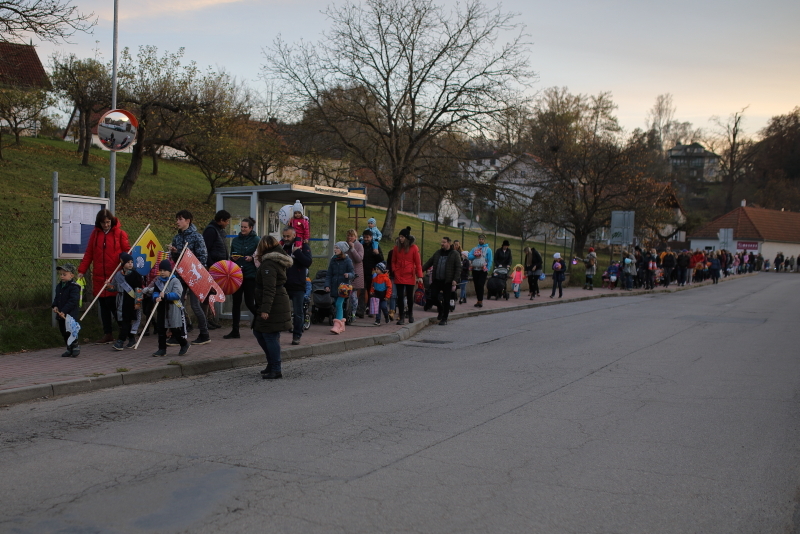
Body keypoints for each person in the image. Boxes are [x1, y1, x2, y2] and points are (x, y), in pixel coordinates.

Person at [77, 209, 131, 344]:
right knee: (103, 305)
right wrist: (82, 270)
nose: (106, 225)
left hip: (115, 275)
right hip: (99, 275)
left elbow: (127, 252)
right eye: (103, 223)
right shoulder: (95, 235)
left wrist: (125, 267)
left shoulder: (120, 234)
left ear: (111, 221)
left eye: (108, 222)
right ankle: (108, 333)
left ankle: (123, 331)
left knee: (114, 304)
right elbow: (89, 253)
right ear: (99, 223)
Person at [253, 236, 293, 379]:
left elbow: (269, 289)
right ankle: (272, 364)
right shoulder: (273, 261)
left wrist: (265, 310)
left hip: (274, 303)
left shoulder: (269, 264)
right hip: (276, 302)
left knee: (270, 336)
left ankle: (276, 368)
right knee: (260, 332)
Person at [169, 210, 210, 345]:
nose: (177, 222)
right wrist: (174, 253)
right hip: (180, 275)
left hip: (193, 276)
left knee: (195, 305)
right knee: (178, 304)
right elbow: (176, 259)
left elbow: (202, 258)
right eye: (177, 219)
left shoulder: (197, 237)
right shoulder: (177, 237)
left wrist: (197, 274)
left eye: (180, 219)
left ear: (188, 220)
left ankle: (204, 333)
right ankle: (179, 333)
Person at [143, 259, 189, 358]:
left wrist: (166, 295)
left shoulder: (175, 280)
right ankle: (162, 349)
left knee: (174, 329)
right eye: (161, 270)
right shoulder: (158, 281)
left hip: (172, 307)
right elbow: (155, 292)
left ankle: (184, 344)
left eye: (164, 270)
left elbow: (177, 294)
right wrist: (155, 298)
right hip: (162, 308)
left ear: (170, 271)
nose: (162, 272)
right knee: (161, 329)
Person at [225, 217, 259, 339]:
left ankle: (263, 322)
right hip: (237, 275)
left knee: (250, 302)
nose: (243, 229)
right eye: (242, 227)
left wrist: (252, 258)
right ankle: (235, 330)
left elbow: (260, 255)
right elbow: (231, 254)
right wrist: (233, 258)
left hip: (250, 275)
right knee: (236, 303)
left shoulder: (256, 240)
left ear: (251, 228)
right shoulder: (236, 240)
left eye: (245, 227)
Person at [281, 227, 313, 345]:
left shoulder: (303, 247)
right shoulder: (282, 247)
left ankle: (297, 335)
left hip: (298, 285)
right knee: (281, 310)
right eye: (284, 236)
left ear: (294, 235)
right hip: (283, 284)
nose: (286, 239)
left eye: (288, 236)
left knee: (298, 312)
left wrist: (297, 252)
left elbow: (308, 262)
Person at [422, 237, 461, 326]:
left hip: (448, 280)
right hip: (437, 279)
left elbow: (458, 268)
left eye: (444, 242)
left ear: (449, 243)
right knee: (432, 295)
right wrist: (420, 270)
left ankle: (444, 318)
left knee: (446, 300)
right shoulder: (438, 253)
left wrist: (455, 279)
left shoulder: (454, 254)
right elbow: (429, 262)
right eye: (441, 242)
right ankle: (441, 309)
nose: (442, 244)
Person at [202, 210, 231, 330]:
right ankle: (205, 319)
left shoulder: (219, 231)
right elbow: (206, 250)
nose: (228, 223)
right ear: (221, 220)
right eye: (227, 221)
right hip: (212, 267)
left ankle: (210, 318)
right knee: (207, 294)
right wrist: (211, 266)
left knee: (212, 293)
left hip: (219, 267)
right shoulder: (211, 230)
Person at [108, 252, 143, 351]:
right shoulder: (118, 275)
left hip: (130, 300)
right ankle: (131, 339)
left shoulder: (136, 275)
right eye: (128, 262)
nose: (130, 264)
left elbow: (139, 289)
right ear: (122, 263)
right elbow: (114, 287)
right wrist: (108, 286)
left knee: (126, 320)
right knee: (121, 320)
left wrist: (138, 302)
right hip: (120, 300)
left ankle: (120, 341)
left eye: (132, 262)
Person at [390, 226, 423, 325]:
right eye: (400, 236)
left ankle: (410, 314)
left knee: (409, 297)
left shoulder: (414, 248)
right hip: (399, 274)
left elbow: (418, 263)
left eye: (402, 237)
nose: (400, 238)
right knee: (399, 297)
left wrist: (420, 276)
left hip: (410, 275)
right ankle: (401, 316)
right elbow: (393, 261)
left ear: (407, 238)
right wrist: (395, 271)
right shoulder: (396, 248)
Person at [325, 241, 355, 334]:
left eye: (337, 248)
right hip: (334, 286)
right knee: (338, 305)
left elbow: (352, 273)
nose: (335, 250)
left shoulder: (347, 260)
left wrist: (348, 275)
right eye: (335, 248)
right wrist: (327, 285)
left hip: (343, 288)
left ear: (342, 250)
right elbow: (329, 274)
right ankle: (342, 325)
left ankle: (337, 326)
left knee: (338, 304)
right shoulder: (333, 260)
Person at [52, 263, 82, 357]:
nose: (62, 276)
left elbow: (73, 301)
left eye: (64, 274)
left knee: (71, 330)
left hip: (70, 314)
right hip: (60, 313)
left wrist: (64, 311)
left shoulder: (74, 287)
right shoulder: (59, 286)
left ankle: (75, 345)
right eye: (61, 274)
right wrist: (55, 306)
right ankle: (69, 347)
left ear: (71, 275)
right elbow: (57, 298)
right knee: (63, 331)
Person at [361, 230, 385, 315]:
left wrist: (377, 254)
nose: (366, 239)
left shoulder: (375, 246)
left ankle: (370, 308)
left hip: (372, 272)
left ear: (371, 237)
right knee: (362, 290)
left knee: (371, 290)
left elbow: (381, 260)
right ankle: (362, 308)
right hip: (362, 271)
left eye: (367, 237)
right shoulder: (361, 245)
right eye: (364, 237)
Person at [467, 234, 493, 308]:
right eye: (480, 239)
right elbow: (469, 256)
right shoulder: (475, 249)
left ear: (484, 240)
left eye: (482, 239)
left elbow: (490, 259)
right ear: (478, 240)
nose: (481, 240)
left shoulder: (488, 249)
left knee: (480, 285)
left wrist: (488, 268)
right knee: (476, 285)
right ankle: (478, 300)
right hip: (475, 269)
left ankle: (480, 301)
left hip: (483, 270)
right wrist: (475, 255)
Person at [345, 229, 365, 318]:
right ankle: (344, 312)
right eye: (348, 235)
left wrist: (353, 249)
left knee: (353, 295)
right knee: (344, 293)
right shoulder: (345, 245)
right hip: (346, 272)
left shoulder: (359, 246)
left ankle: (353, 313)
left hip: (356, 273)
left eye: (351, 236)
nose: (349, 238)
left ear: (355, 237)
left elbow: (359, 259)